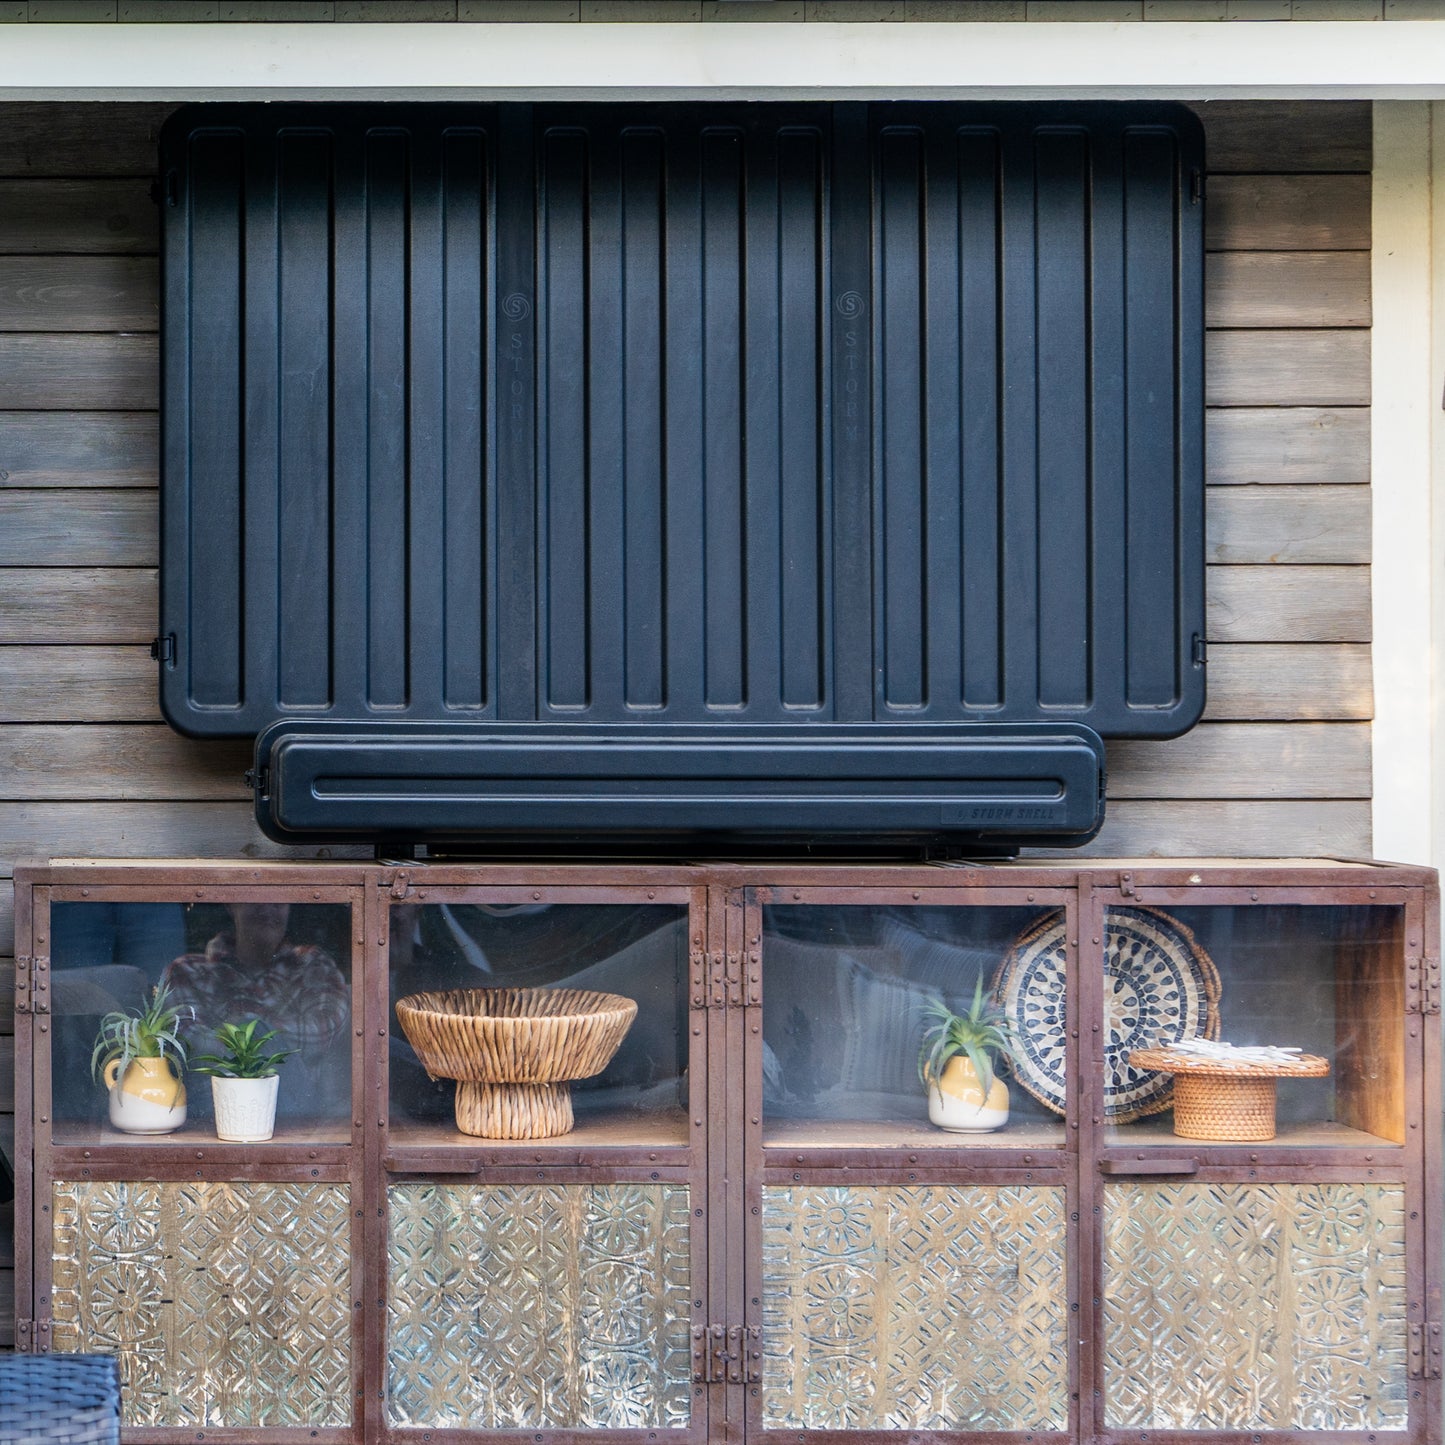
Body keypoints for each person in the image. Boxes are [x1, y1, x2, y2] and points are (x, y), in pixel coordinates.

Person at [162, 903, 350, 1119]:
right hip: (210, 1116)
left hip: (295, 1121)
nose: (268, 907)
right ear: (232, 905)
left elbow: (323, 1031)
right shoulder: (188, 970)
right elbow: (189, 1041)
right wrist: (260, 1032)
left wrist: (246, 1030)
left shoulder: (312, 965)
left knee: (258, 1032)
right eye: (255, 896)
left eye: (278, 899)